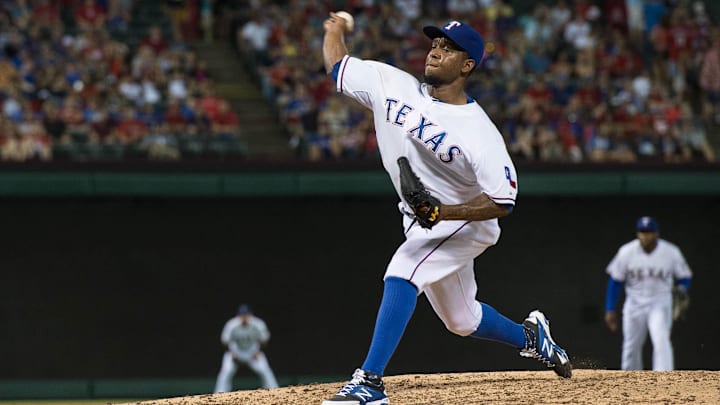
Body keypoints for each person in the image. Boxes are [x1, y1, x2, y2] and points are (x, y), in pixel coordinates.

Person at [320, 14, 572, 405]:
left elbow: (502, 201)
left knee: (404, 269)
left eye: (449, 48)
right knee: (462, 320)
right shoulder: (391, 84)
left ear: (467, 65)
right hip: (424, 219)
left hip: (466, 222)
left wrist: (445, 213)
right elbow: (339, 67)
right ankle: (532, 337)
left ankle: (369, 382)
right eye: (435, 44)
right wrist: (334, 30)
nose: (436, 51)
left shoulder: (479, 132)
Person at [604, 216, 693, 371]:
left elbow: (685, 276)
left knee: (661, 340)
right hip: (634, 304)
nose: (646, 235)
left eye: (649, 232)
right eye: (642, 231)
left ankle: (665, 379)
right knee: (631, 346)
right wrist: (610, 308)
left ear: (656, 233)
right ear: (637, 233)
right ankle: (629, 381)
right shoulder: (626, 252)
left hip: (660, 302)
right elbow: (615, 282)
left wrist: (682, 289)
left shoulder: (670, 252)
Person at [214, 304, 279, 392]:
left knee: (265, 370)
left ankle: (275, 392)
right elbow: (225, 341)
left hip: (252, 352)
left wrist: (259, 350)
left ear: (250, 314)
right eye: (242, 315)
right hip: (236, 352)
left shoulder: (258, 324)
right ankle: (218, 395)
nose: (244, 317)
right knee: (225, 372)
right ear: (238, 315)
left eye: (246, 314)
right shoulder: (231, 324)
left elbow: (264, 339)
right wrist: (231, 352)